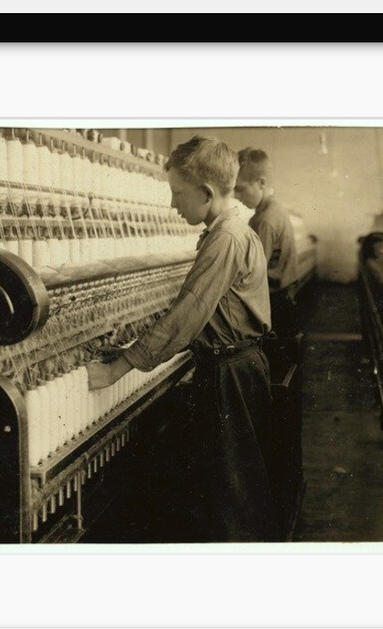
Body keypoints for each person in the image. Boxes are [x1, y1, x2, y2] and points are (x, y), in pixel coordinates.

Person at [86, 135, 281, 542]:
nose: (173, 204)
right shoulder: (228, 231)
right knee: (232, 487)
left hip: (231, 375)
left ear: (207, 193)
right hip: (233, 366)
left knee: (233, 496)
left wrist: (117, 368)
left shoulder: (225, 238)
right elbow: (197, 307)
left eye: (178, 193)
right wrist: (131, 338)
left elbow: (186, 315)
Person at [234, 148, 299, 337]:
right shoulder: (275, 209)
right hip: (285, 296)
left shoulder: (264, 220)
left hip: (274, 301)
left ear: (261, 183)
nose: (236, 197)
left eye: (240, 189)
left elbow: (253, 273)